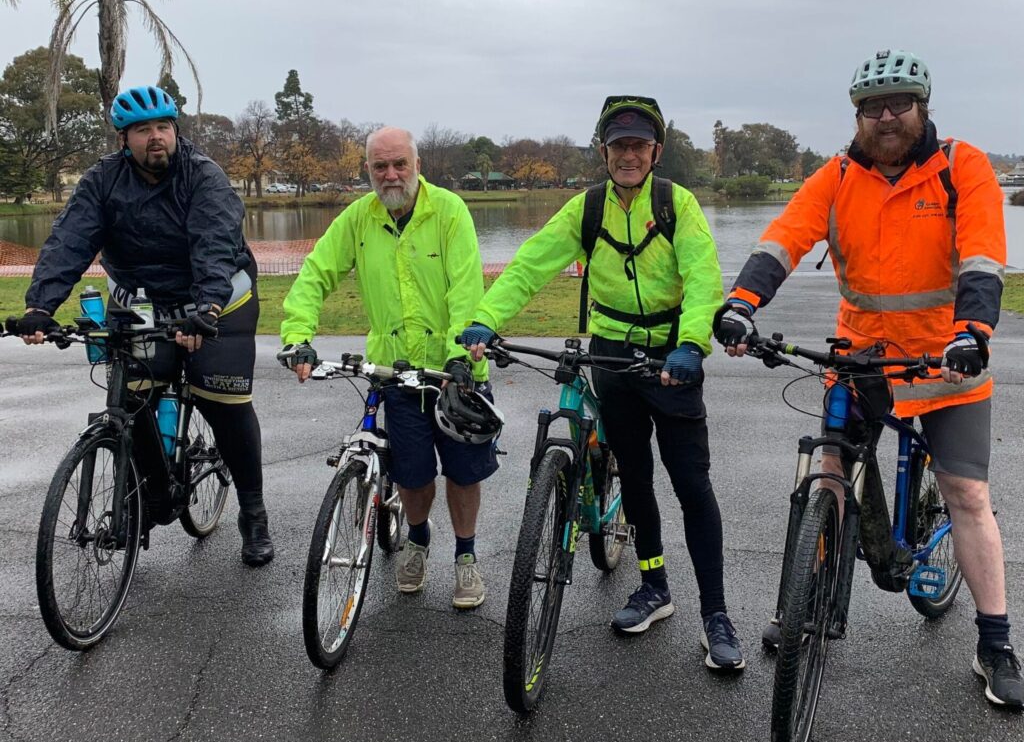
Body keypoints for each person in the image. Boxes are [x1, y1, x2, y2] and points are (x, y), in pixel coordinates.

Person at [714, 50, 1022, 706]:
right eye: (871, 108)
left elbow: (983, 254)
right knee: (826, 466)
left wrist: (974, 332)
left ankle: (995, 644)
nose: (885, 117)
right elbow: (785, 237)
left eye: (898, 104)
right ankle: (813, 599)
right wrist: (742, 303)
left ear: (922, 107)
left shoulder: (959, 166)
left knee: (966, 494)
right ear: (857, 116)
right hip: (862, 356)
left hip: (946, 360)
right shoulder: (839, 174)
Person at [461, 96, 744, 671]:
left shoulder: (677, 205)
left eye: (640, 146)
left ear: (655, 151)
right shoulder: (586, 209)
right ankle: (654, 585)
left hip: (671, 356)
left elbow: (702, 275)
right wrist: (488, 319)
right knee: (635, 476)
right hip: (611, 354)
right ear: (604, 152)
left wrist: (693, 344)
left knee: (691, 484)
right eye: (619, 146)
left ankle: (715, 613)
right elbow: (530, 264)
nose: (629, 155)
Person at [13, 85, 274, 567]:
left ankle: (253, 512)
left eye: (163, 127)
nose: (156, 137)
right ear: (123, 139)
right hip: (143, 299)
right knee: (134, 399)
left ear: (175, 130)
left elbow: (214, 244)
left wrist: (208, 308)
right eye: (142, 130)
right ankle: (153, 495)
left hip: (218, 299)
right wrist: (40, 307)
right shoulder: (102, 181)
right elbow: (70, 241)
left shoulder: (203, 176)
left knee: (223, 401)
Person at [279, 126, 499, 609]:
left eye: (400, 164)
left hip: (454, 372)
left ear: (417, 165)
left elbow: (465, 288)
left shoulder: (449, 211)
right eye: (381, 166)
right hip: (395, 373)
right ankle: (417, 539)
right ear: (369, 171)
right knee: (413, 475)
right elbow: (316, 273)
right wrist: (298, 335)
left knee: (463, 473)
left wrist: (461, 355)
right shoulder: (360, 218)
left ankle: (466, 556)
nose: (391, 174)